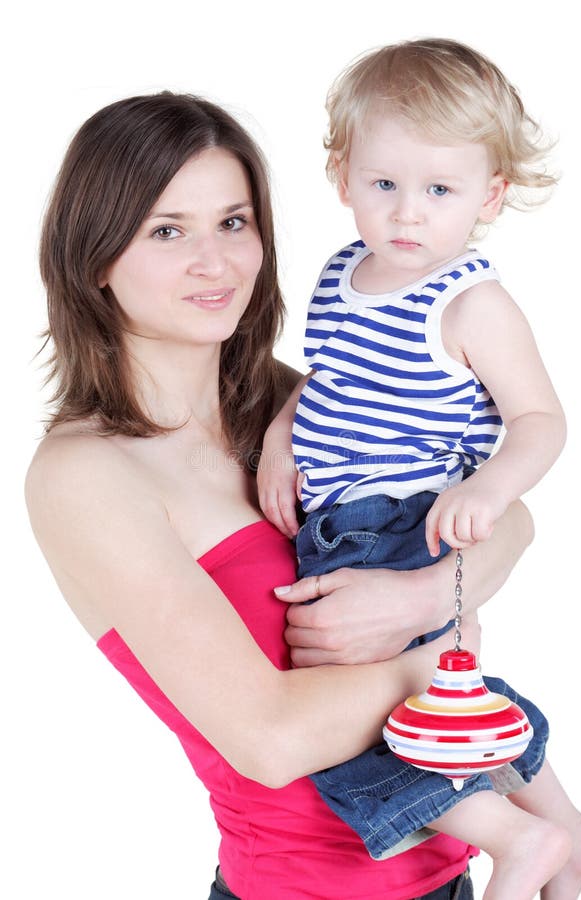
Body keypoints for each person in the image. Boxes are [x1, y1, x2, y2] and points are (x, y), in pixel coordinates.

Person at [26, 90, 539, 900]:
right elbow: (271, 738)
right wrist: (446, 657)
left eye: (233, 222)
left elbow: (510, 515)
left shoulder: (291, 408)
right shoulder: (87, 473)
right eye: (168, 230)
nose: (216, 261)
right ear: (94, 256)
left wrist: (424, 594)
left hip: (449, 876)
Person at [257, 39, 581, 899]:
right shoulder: (341, 275)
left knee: (345, 728)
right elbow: (330, 385)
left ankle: (511, 840)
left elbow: (541, 421)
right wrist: (278, 432)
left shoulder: (470, 302)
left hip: (400, 525)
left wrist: (487, 487)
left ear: (491, 195)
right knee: (438, 696)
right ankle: (565, 826)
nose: (408, 215)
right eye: (384, 185)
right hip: (340, 525)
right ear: (343, 176)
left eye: (440, 191)